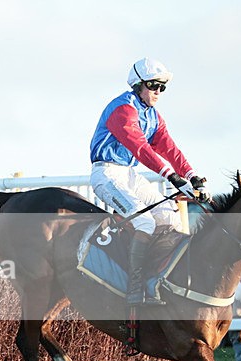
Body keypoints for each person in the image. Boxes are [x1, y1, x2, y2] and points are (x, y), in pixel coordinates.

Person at [89, 58, 212, 306]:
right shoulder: (123, 109)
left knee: (170, 217)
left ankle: (157, 277)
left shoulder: (153, 115)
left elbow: (169, 147)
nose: (158, 92)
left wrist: (191, 176)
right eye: (153, 85)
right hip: (107, 175)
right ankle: (134, 289)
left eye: (162, 87)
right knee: (144, 221)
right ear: (138, 85)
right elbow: (140, 148)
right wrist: (172, 176)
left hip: (129, 175)